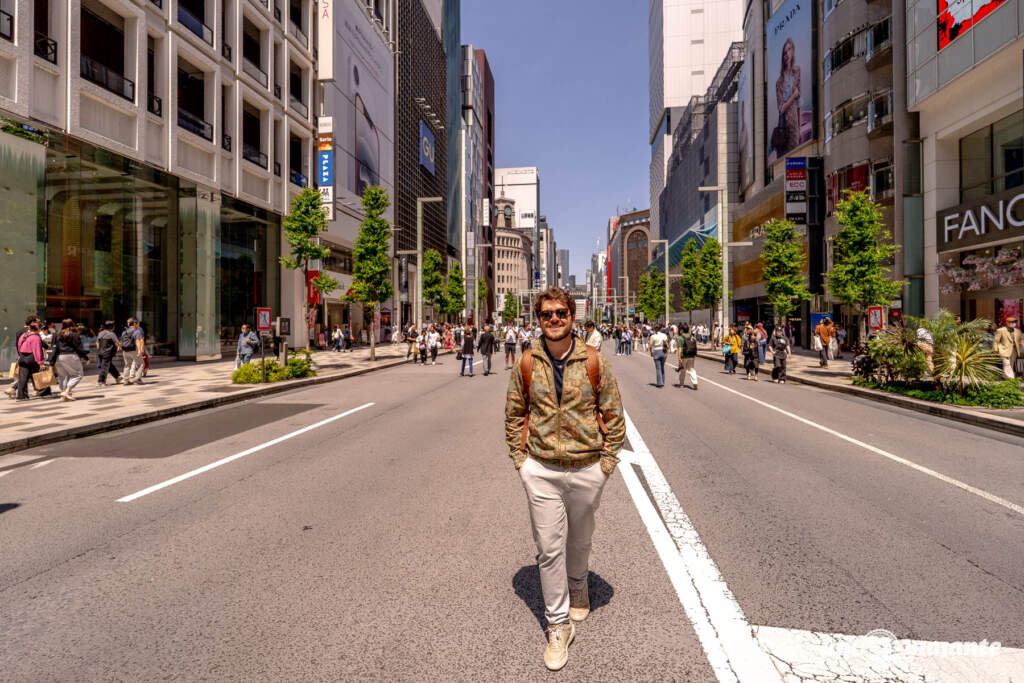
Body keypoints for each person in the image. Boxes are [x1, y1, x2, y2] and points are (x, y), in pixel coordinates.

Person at [505, 287, 625, 671]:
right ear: (537, 319)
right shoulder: (526, 362)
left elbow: (615, 415)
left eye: (560, 313)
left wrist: (606, 465)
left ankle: (578, 583)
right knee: (548, 547)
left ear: (573, 317)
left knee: (581, 537)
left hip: (588, 466)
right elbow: (513, 415)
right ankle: (557, 625)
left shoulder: (594, 362)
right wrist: (521, 462)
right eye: (546, 314)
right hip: (541, 469)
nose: (554, 320)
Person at [774, 37, 802, 157]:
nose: (787, 54)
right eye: (784, 52)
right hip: (783, 128)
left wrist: (800, 128)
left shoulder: (797, 72)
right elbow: (780, 109)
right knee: (785, 161)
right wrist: (793, 96)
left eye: (789, 50)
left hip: (794, 124)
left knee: (795, 158)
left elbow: (799, 103)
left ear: (793, 51)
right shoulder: (779, 82)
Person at [51, 318, 89, 401]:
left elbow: (54, 347)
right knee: (78, 375)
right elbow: (78, 348)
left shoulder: (56, 334)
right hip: (70, 356)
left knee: (63, 376)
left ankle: (63, 396)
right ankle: (67, 392)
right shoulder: (74, 334)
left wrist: (51, 360)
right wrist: (86, 358)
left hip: (59, 357)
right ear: (72, 324)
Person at [14, 322, 45, 400]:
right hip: (31, 357)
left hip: (22, 357)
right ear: (38, 329)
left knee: (22, 377)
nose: (41, 330)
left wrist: (21, 355)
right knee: (38, 375)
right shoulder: (36, 337)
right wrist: (40, 362)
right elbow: (37, 351)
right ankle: (43, 391)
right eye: (41, 329)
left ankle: (21, 395)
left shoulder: (23, 336)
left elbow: (18, 346)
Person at [96, 320, 122, 385]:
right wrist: (119, 347)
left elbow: (97, 343)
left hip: (101, 352)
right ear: (112, 327)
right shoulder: (111, 334)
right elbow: (117, 343)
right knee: (104, 367)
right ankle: (101, 381)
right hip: (107, 353)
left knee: (109, 365)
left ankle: (118, 377)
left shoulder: (100, 333)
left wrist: (100, 350)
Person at [122, 318, 146, 384]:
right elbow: (139, 340)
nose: (138, 325)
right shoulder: (136, 331)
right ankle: (137, 379)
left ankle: (126, 380)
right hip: (133, 350)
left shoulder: (124, 331)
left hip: (125, 350)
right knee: (141, 364)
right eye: (138, 323)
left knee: (127, 365)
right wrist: (140, 350)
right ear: (135, 324)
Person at [675, 322, 698, 390]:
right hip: (692, 355)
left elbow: (679, 348)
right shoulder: (692, 337)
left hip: (683, 356)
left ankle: (681, 384)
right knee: (691, 369)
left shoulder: (680, 338)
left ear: (681, 330)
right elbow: (695, 346)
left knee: (683, 370)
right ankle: (695, 382)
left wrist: (679, 357)